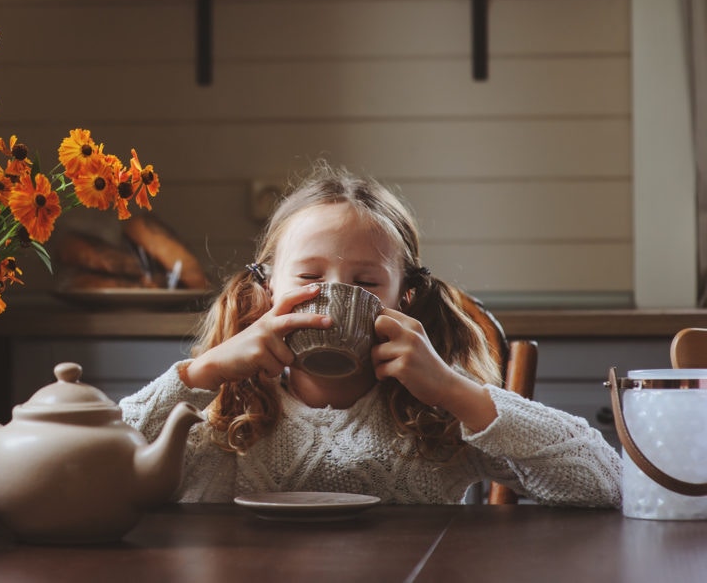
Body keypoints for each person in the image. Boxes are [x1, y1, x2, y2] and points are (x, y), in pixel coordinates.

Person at [119, 162, 622, 507]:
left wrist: (453, 389)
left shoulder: (435, 420)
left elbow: (606, 483)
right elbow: (89, 466)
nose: (333, 297)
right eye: (310, 278)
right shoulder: (221, 414)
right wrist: (200, 372)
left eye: (366, 283)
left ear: (405, 297)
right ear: (268, 287)